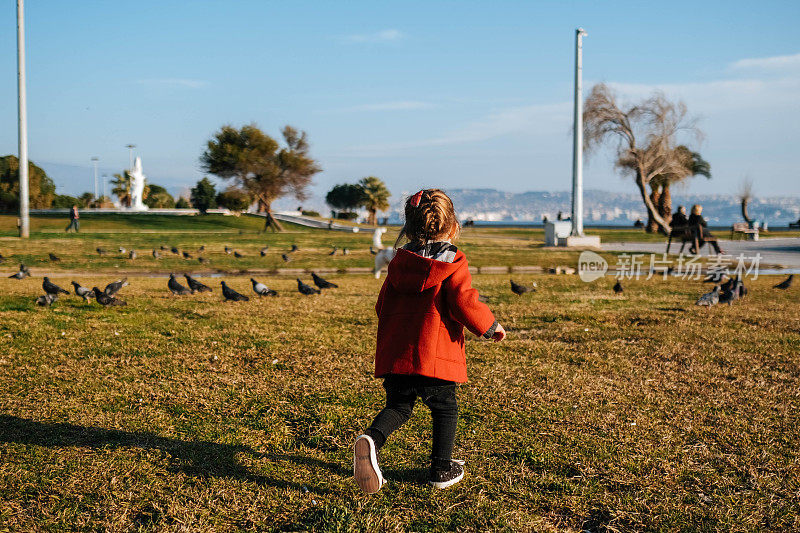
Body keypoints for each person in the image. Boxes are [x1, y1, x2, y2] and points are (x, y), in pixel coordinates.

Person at [354, 189, 506, 494]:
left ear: (408, 227)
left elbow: (381, 306)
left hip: (399, 354)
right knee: (445, 407)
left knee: (399, 406)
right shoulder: (454, 261)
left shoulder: (399, 261)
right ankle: (441, 468)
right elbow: (464, 302)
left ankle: (372, 438)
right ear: (452, 226)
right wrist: (490, 326)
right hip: (433, 356)